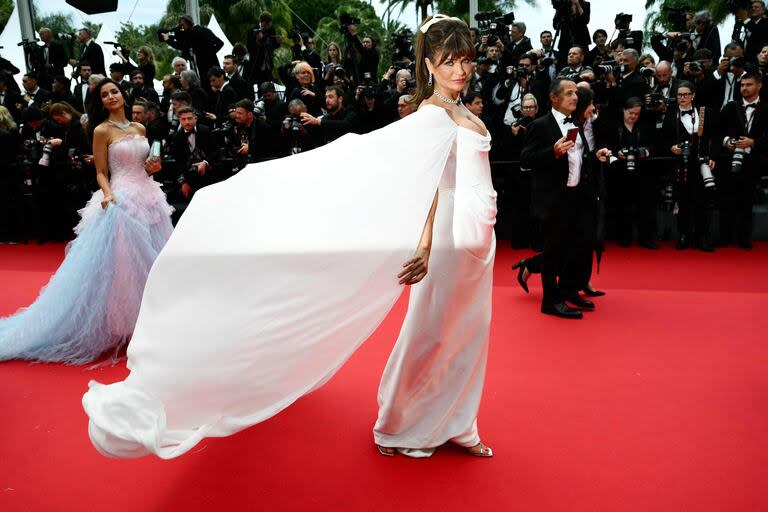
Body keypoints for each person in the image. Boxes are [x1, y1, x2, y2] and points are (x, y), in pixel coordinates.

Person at [82, 14, 496, 460]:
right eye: (449, 61)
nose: (460, 70)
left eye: (466, 60)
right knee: (433, 331)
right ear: (429, 66)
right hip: (450, 238)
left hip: (479, 237)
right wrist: (426, 241)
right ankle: (402, 423)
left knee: (472, 330)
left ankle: (458, 421)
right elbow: (427, 183)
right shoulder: (432, 116)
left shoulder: (460, 112)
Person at [0, 79, 173, 364]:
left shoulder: (140, 128)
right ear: (101, 102)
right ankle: (126, 326)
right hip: (121, 200)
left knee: (154, 261)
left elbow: (145, 168)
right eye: (104, 95)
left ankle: (154, 321)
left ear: (123, 94)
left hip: (149, 198)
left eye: (114, 91)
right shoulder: (101, 130)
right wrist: (107, 194)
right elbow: (102, 171)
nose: (111, 97)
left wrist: (154, 167)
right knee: (124, 266)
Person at [520, 79, 611, 319]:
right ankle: (550, 300)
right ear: (553, 97)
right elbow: (525, 159)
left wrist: (595, 155)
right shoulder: (540, 126)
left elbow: (578, 158)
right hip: (553, 199)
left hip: (577, 196)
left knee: (579, 246)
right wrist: (553, 152)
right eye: (569, 93)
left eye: (575, 93)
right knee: (553, 251)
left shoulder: (577, 124)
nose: (575, 97)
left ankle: (569, 290)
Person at [661, 81, 718, 251]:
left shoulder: (705, 112)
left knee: (702, 202)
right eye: (679, 95)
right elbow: (663, 140)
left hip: (701, 164)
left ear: (693, 95)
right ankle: (683, 235)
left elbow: (715, 136)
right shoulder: (671, 114)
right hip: (681, 165)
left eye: (686, 94)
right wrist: (672, 147)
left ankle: (702, 237)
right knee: (683, 202)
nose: (683, 97)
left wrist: (713, 157)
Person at [717, 73, 766, 249]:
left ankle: (744, 237)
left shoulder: (767, 108)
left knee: (747, 201)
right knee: (726, 200)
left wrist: (754, 142)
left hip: (753, 162)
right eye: (742, 85)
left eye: (749, 84)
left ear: (759, 86)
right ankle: (724, 236)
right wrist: (726, 141)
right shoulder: (731, 107)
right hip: (728, 161)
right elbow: (716, 131)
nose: (744, 88)